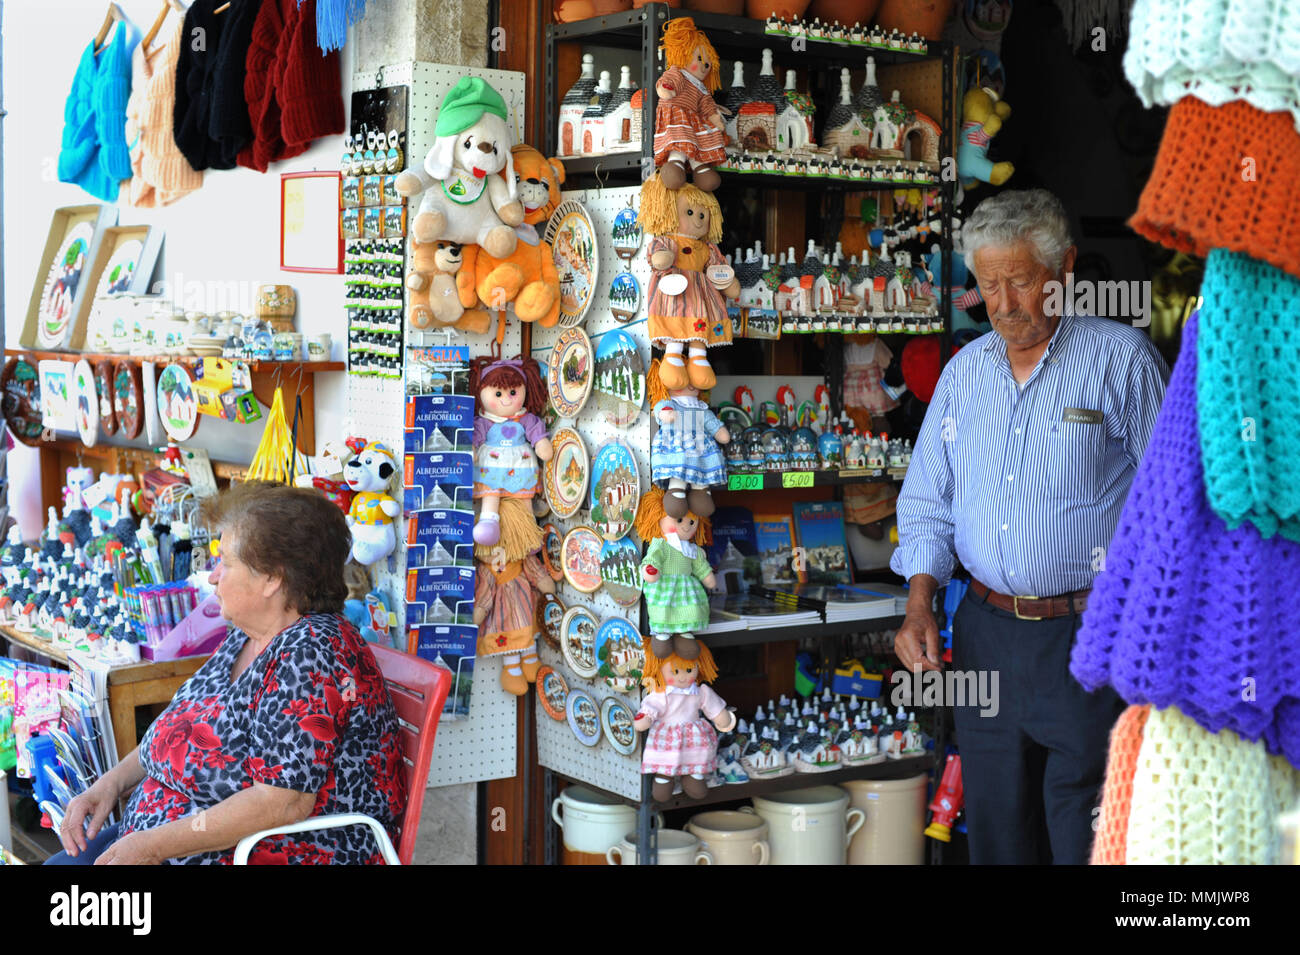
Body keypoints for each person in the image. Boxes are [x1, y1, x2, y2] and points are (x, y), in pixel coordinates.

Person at [890, 189, 1169, 864]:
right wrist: (920, 601)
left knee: (1084, 828)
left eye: (1020, 281)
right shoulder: (962, 376)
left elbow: (1174, 504)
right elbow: (928, 500)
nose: (1005, 303)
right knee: (996, 826)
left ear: (1063, 268)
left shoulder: (1121, 361)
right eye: (990, 285)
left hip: (1088, 633)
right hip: (985, 633)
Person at [48, 482, 408, 865]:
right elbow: (178, 728)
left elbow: (280, 804)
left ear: (272, 578)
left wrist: (151, 846)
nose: (212, 575)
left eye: (225, 562)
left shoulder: (313, 654)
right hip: (162, 839)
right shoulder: (249, 635)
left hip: (281, 851)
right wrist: (109, 785)